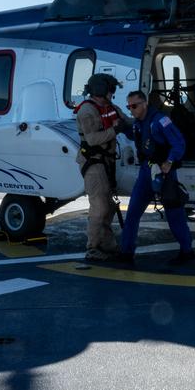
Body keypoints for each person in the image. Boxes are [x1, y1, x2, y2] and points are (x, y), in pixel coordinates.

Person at [118, 90, 195, 266]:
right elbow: (135, 134)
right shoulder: (139, 123)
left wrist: (169, 161)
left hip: (163, 172)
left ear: (144, 104)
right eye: (128, 107)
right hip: (147, 171)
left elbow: (179, 143)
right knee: (133, 212)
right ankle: (126, 252)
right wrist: (121, 126)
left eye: (134, 106)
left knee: (174, 213)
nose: (131, 110)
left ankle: (187, 250)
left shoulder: (161, 121)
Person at [75, 73, 126, 260]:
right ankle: (93, 248)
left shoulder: (109, 107)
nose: (112, 96)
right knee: (99, 206)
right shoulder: (87, 111)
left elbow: (126, 121)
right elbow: (92, 139)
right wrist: (115, 130)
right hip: (93, 162)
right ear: (101, 91)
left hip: (106, 162)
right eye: (110, 92)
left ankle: (107, 245)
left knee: (109, 206)